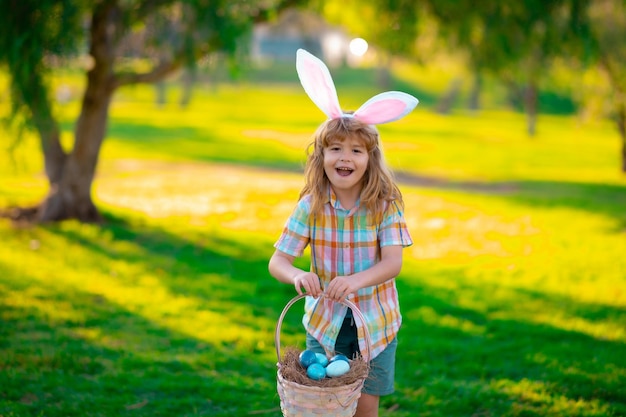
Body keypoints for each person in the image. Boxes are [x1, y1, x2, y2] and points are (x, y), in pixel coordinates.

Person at [268, 49, 418, 417]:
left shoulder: (384, 205)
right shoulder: (311, 205)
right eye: (335, 149)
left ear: (370, 159)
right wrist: (298, 274)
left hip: (376, 325)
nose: (344, 157)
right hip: (324, 325)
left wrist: (354, 281)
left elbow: (393, 263)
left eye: (355, 150)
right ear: (321, 157)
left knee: (365, 410)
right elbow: (278, 261)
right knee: (324, 408)